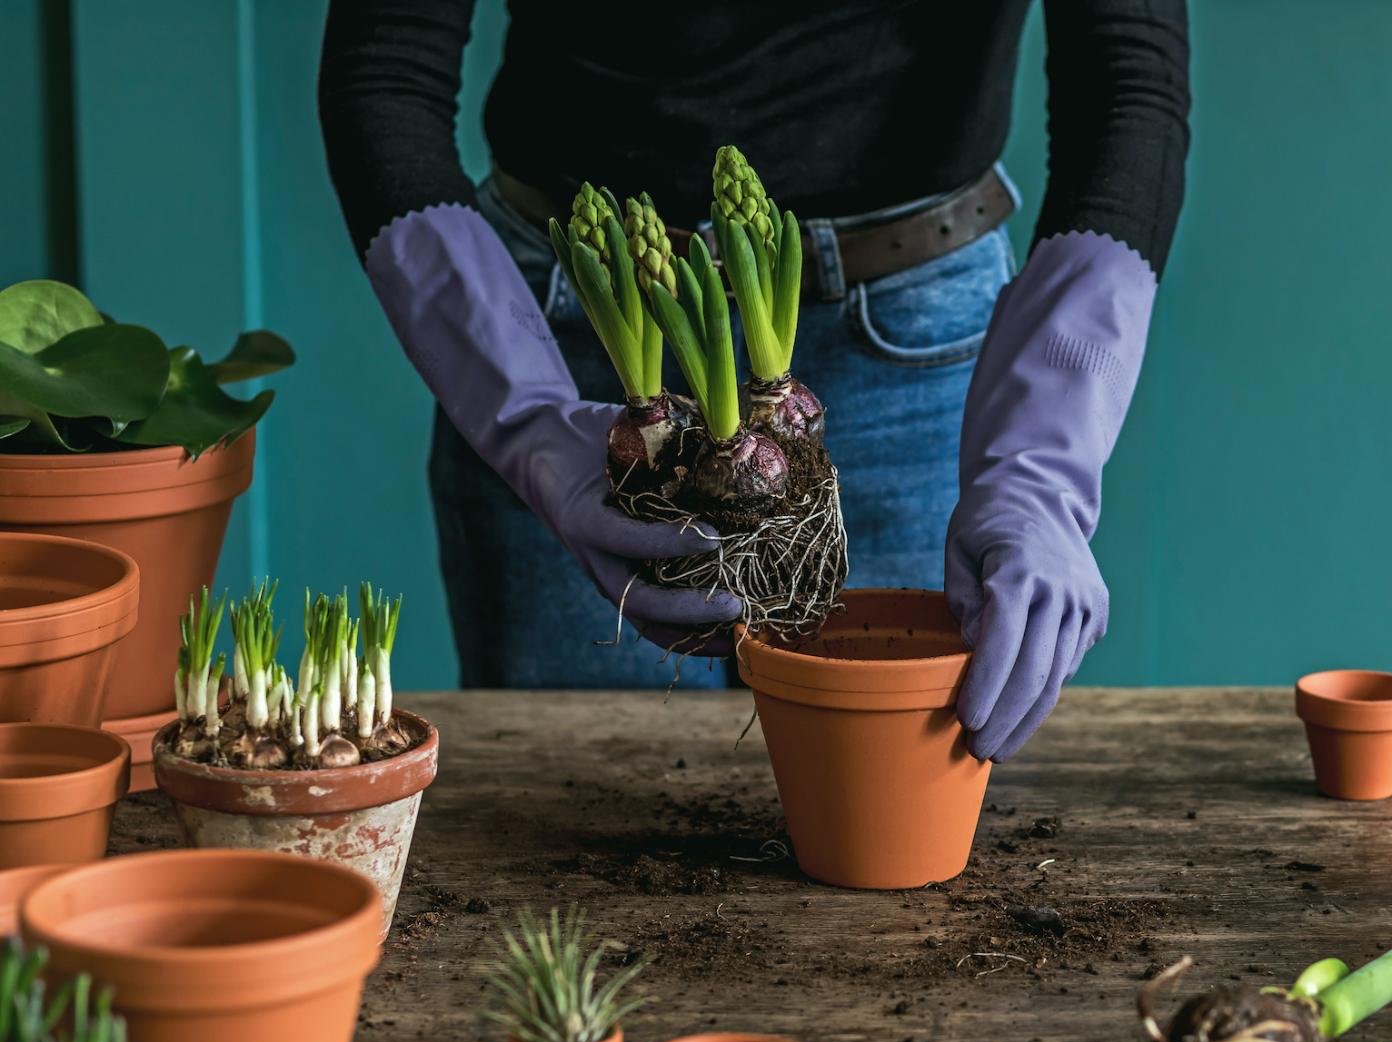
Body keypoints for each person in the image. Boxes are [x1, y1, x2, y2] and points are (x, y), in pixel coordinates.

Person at [319, 1, 1188, 760]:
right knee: (579, 826)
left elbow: (1130, 77)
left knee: (906, 858)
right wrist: (528, 415)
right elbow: (384, 66)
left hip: (915, 361)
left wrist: (1041, 461)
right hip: (566, 345)